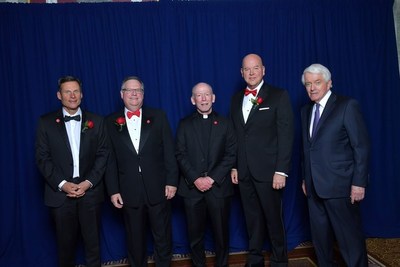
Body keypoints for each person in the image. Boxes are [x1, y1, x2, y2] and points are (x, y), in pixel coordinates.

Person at [300, 64, 370, 267]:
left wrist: (359, 183)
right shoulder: (306, 110)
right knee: (321, 241)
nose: (312, 88)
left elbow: (361, 147)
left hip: (341, 187)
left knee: (349, 240)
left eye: (317, 82)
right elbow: (307, 149)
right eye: (308, 84)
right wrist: (305, 177)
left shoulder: (347, 106)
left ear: (329, 83)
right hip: (313, 187)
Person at [105, 76, 178, 267]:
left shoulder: (158, 116)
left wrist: (172, 181)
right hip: (129, 191)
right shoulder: (110, 122)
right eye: (130, 90)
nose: (134, 94)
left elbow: (169, 151)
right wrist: (113, 190)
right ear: (122, 95)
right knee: (134, 240)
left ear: (143, 94)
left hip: (158, 188)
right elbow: (109, 160)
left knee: (162, 238)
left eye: (138, 90)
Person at [35, 76, 108, 267]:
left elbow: (103, 155)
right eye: (67, 91)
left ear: (82, 95)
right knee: (65, 249)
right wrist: (63, 185)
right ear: (59, 95)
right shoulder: (46, 122)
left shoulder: (97, 121)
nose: (72, 95)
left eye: (76, 91)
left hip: (89, 193)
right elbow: (42, 158)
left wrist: (88, 182)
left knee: (93, 247)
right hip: (60, 195)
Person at [230, 54, 294, 267]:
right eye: (247, 69)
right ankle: (255, 258)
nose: (251, 72)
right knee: (252, 219)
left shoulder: (278, 95)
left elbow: (286, 135)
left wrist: (281, 171)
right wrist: (234, 166)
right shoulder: (236, 98)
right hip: (245, 171)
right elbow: (235, 136)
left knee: (273, 219)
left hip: (270, 172)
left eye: (255, 68)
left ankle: (279, 260)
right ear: (241, 72)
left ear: (263, 70)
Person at [175, 82, 237, 267]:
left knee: (221, 235)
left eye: (207, 94)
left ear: (213, 97)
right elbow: (180, 153)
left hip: (218, 188)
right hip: (192, 190)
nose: (203, 99)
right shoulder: (184, 124)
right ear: (193, 100)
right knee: (195, 236)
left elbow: (231, 154)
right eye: (199, 95)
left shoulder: (226, 123)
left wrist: (211, 178)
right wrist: (195, 179)